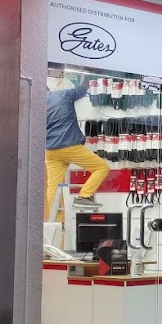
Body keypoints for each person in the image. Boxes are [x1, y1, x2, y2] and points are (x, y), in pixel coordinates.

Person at [45, 76, 110, 218]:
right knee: (102, 167)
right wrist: (88, 75)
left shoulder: (36, 106)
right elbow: (82, 89)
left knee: (53, 187)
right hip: (69, 146)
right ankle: (84, 196)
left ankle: (55, 222)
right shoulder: (63, 95)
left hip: (50, 151)